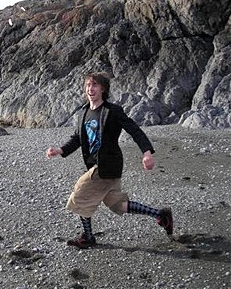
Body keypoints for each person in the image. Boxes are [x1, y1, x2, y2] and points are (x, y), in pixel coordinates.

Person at [46, 71, 173, 248]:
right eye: (88, 85)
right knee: (117, 204)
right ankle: (160, 215)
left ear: (103, 89)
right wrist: (60, 150)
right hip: (99, 166)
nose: (90, 88)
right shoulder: (83, 112)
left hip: (107, 166)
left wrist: (146, 152)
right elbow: (77, 138)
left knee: (80, 195)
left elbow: (134, 130)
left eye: (95, 85)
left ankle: (88, 237)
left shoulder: (112, 111)